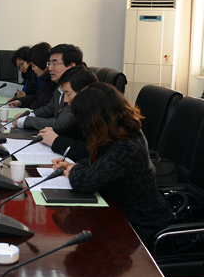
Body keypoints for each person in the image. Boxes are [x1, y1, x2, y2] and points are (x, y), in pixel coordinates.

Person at [52, 82, 173, 248]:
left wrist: (75, 168)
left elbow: (83, 182)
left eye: (84, 121)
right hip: (117, 214)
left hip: (139, 228)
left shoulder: (127, 144)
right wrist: (72, 165)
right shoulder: (116, 131)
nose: (83, 126)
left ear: (96, 117)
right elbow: (100, 162)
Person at [14, 43, 83, 130]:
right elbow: (49, 109)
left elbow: (61, 124)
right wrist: (30, 115)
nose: (49, 68)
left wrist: (25, 121)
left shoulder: (80, 88)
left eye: (55, 63)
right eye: (49, 63)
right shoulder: (60, 86)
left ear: (71, 66)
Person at [38, 66, 97, 161]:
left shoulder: (100, 116)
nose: (65, 100)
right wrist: (52, 132)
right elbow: (74, 131)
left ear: (85, 91)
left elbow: (89, 151)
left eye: (68, 94)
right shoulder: (84, 113)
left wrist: (55, 140)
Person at [9, 42, 54, 110]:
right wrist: (20, 102)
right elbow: (37, 97)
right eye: (18, 67)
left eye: (33, 65)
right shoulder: (38, 77)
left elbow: (41, 102)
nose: (32, 68)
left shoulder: (50, 79)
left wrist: (30, 113)